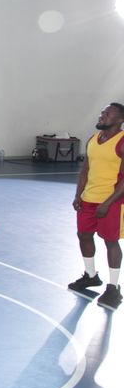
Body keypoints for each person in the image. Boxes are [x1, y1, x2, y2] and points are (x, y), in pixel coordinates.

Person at [68, 102, 124, 311]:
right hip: (89, 199)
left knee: (110, 242)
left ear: (120, 120)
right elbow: (85, 170)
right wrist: (78, 195)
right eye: (102, 112)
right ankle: (91, 276)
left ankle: (113, 287)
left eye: (108, 114)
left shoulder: (122, 142)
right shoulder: (93, 139)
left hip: (113, 201)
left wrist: (108, 202)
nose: (102, 116)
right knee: (83, 235)